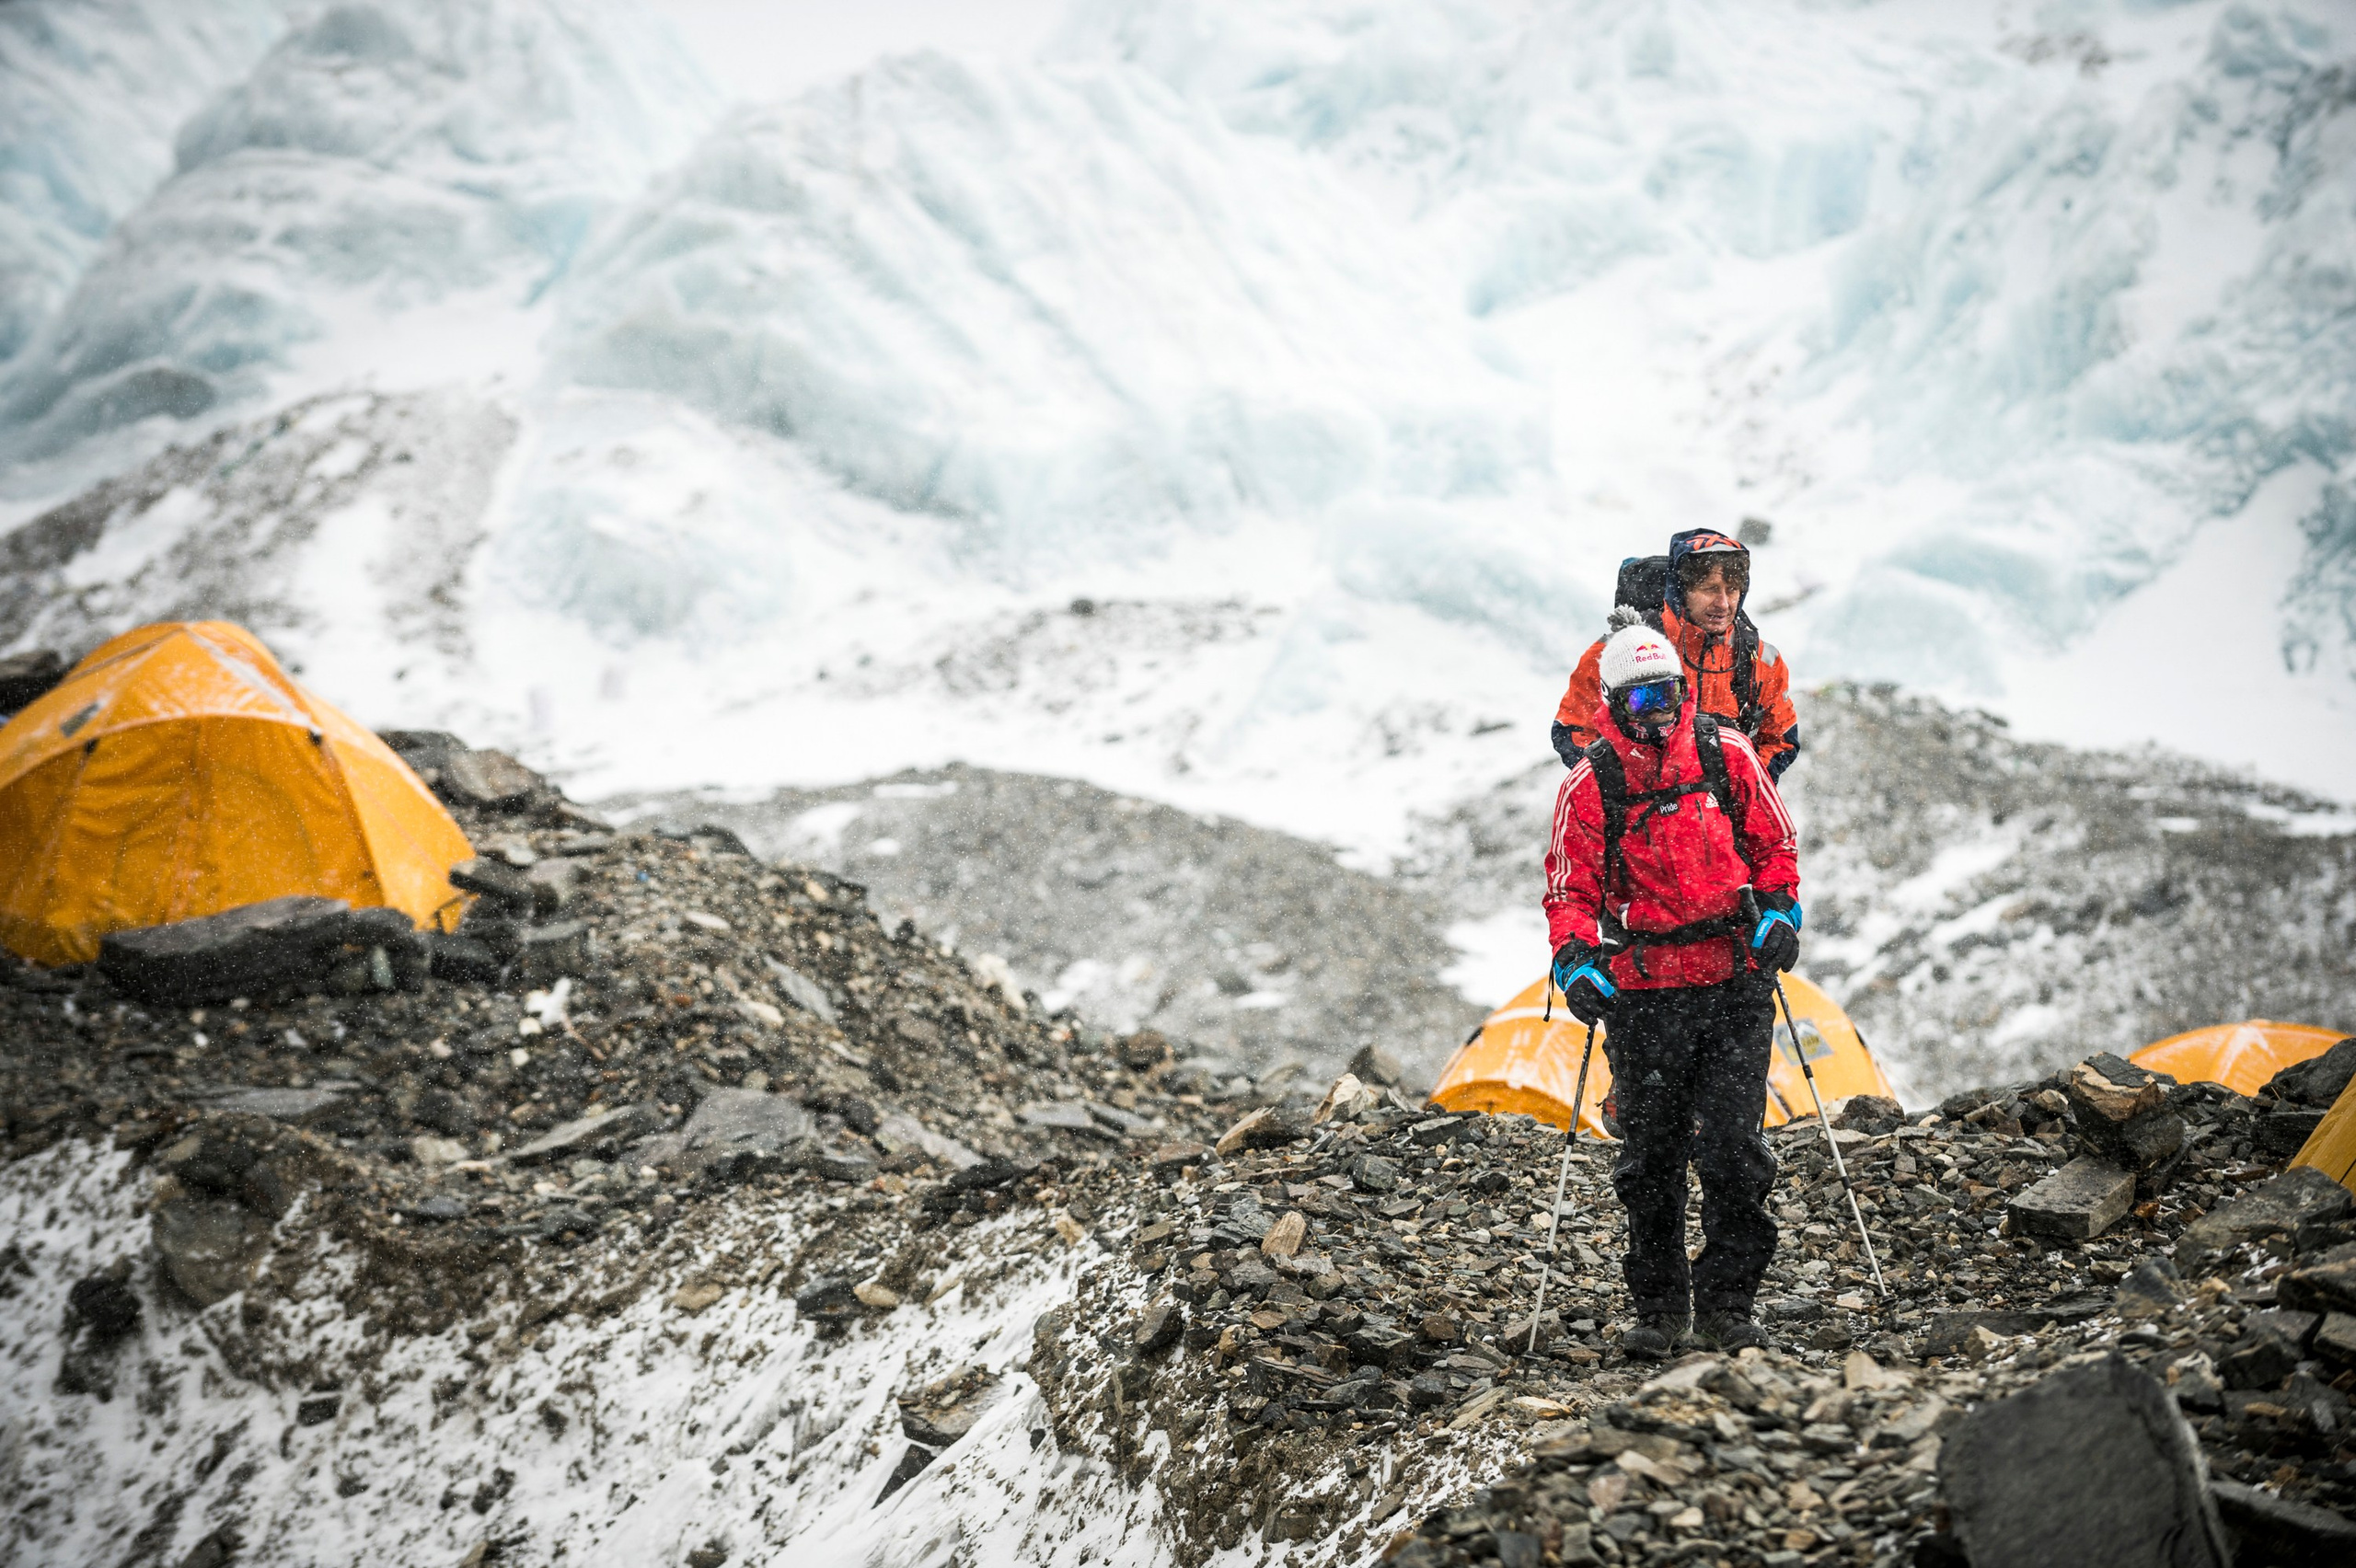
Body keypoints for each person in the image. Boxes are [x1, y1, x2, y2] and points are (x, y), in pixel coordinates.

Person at [1542, 619, 1802, 1359]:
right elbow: (1569, 888)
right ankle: (1659, 1311)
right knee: (1650, 1160)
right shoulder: (1591, 783)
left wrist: (1782, 912)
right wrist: (1575, 961)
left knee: (1733, 1151)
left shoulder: (1726, 754)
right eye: (1645, 699)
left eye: (1671, 694)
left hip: (1732, 982)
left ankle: (1728, 1305)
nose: (1661, 711)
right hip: (1646, 993)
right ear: (1617, 703)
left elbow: (1775, 844)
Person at [1552, 528, 1799, 779]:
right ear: (1681, 591)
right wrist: (1630, 787)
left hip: (1726, 813)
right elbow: (1572, 730)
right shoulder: (1620, 652)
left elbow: (1782, 740)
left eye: (1732, 589)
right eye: (1710, 589)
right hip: (1639, 811)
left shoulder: (1760, 659)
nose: (1723, 603)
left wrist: (1739, 786)